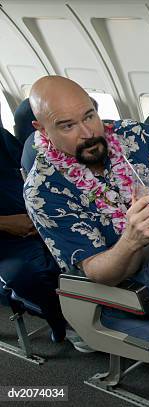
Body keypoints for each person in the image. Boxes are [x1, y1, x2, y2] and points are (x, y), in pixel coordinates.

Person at [23, 76, 149, 340]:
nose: (88, 133)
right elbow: (97, 272)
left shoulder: (126, 135)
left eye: (89, 116)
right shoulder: (43, 191)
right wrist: (131, 240)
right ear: (41, 129)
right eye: (67, 126)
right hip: (130, 283)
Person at [0, 125, 67, 341]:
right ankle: (63, 323)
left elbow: (23, 166)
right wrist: (5, 223)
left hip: (26, 204)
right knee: (27, 272)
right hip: (5, 240)